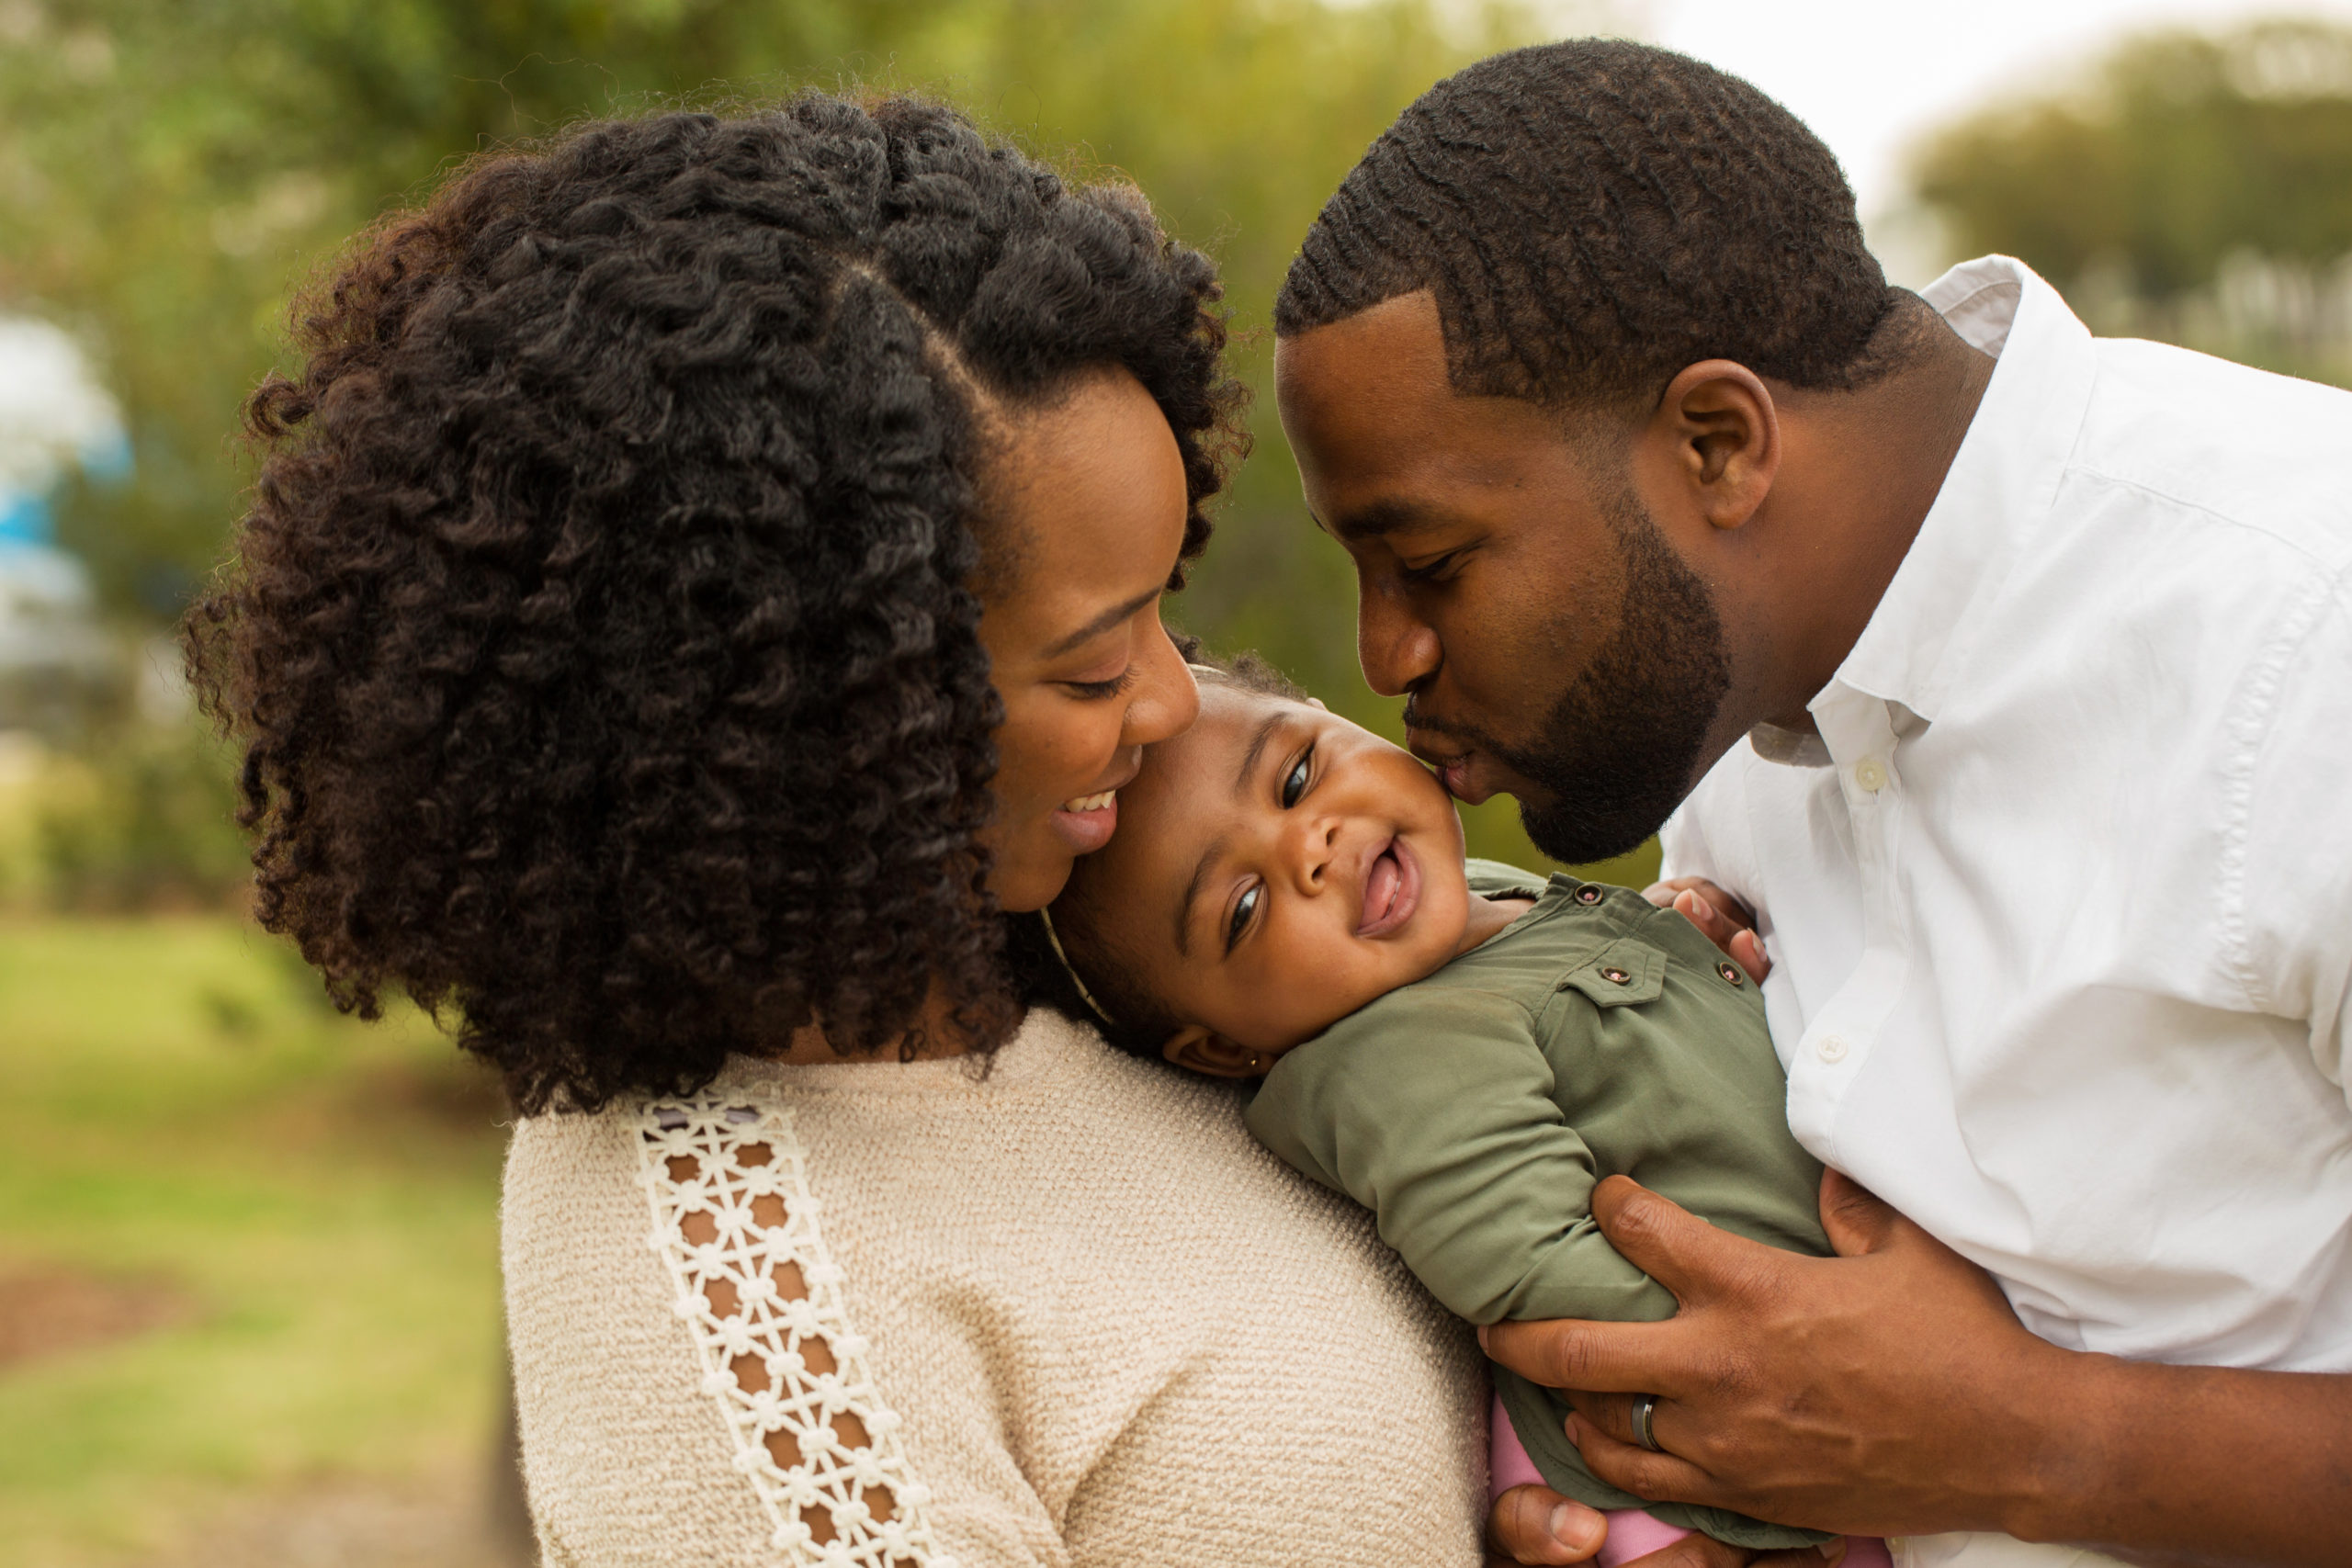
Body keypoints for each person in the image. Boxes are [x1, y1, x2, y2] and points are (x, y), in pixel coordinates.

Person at [185, 96, 1498, 1566]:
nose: (1172, 699)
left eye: (1161, 606)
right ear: (819, 709)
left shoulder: (1109, 960)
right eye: (1090, 660)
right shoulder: (737, 1289)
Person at [1269, 36, 2352, 1568]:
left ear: (1718, 443)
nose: (1384, 654)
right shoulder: (1730, 702)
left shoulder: (2306, 640)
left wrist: (2033, 1440)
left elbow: (1939, 1414)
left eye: (1430, 561)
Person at [1037, 656, 1891, 1567]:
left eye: (1295, 777)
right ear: (1219, 1047)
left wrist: (1662, 950)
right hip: (1734, 1474)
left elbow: (1558, 998)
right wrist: (1838, 1356)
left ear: (1335, 719)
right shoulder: (1390, 1062)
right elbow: (1545, 1281)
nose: (1310, 848)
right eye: (1243, 908)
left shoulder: (1472, 906)